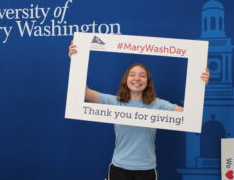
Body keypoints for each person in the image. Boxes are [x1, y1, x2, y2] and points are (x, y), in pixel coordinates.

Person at [69, 43, 210, 180]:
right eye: (132, 75)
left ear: (148, 82)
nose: (137, 78)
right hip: (119, 168)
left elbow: (190, 114)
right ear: (126, 80)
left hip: (147, 170)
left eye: (142, 75)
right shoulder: (115, 101)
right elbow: (85, 93)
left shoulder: (158, 104)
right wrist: (76, 61)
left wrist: (200, 84)